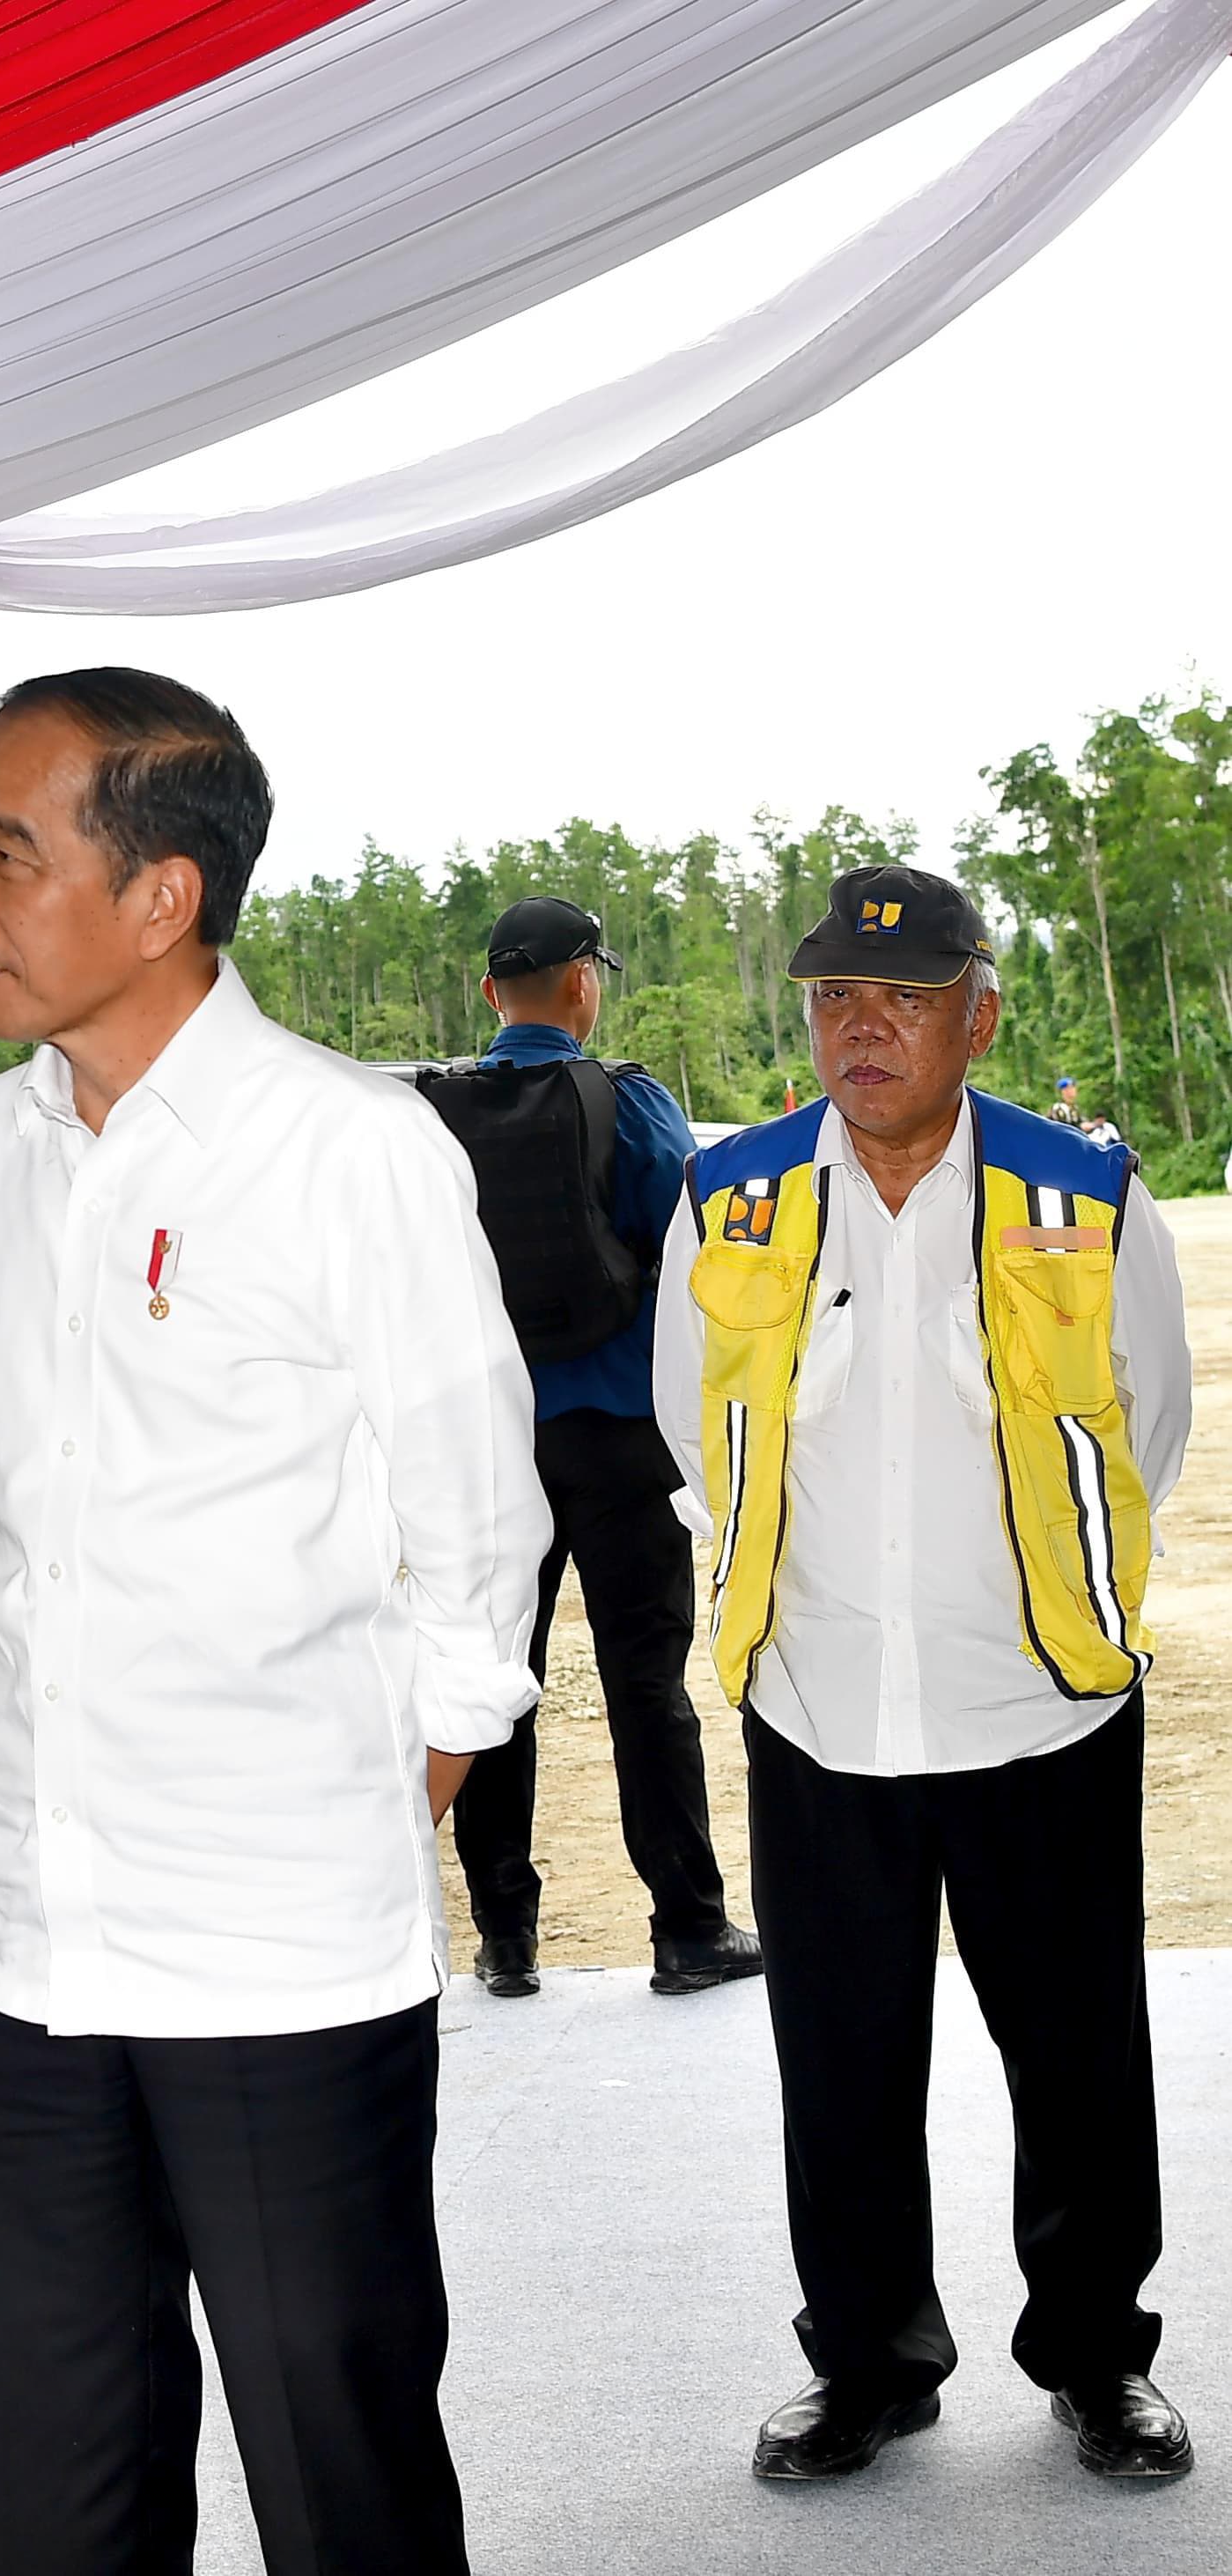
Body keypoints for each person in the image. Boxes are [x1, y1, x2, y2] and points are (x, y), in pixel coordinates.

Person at [0, 670, 546, 2576]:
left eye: (9, 854)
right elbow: (9, 1509)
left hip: (276, 1959)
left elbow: (476, 1535)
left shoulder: (347, 1149)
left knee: (337, 2473)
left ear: (166, 894)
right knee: (64, 2485)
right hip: (14, 1937)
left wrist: (363, 1802)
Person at [656, 864, 1192, 2485]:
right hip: (819, 1713)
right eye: (833, 999)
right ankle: (872, 2365)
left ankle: (1099, 2358)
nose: (860, 1027)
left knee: (1079, 2065)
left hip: (1037, 1702)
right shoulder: (733, 1195)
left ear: (981, 1011)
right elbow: (699, 1436)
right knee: (841, 2067)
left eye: (899, 997)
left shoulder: (1083, 1191)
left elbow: (1144, 1425)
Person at [437, 897, 762, 2000]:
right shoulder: (626, 1100)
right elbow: (692, 1243)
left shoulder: (435, 1115)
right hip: (622, 1436)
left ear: (492, 994)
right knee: (644, 1686)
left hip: (490, 1448)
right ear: (583, 983)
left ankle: (506, 1938)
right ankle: (687, 1929)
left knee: (495, 1684)